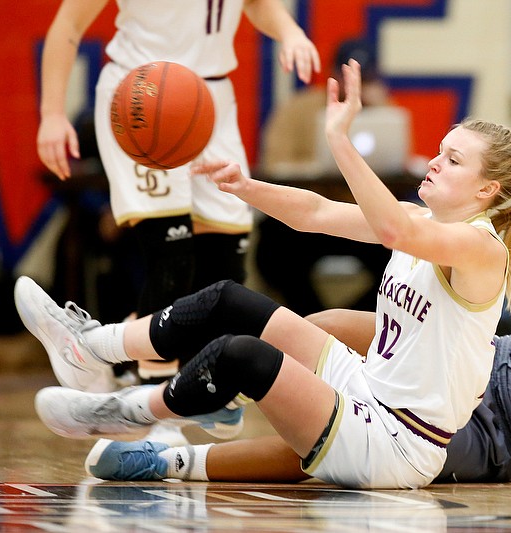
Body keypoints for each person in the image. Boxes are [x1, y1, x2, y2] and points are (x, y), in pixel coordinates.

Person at [20, 58, 511, 489]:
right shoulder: (420, 217)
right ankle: (95, 345)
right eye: (438, 151)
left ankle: (129, 411)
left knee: (243, 355)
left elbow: (393, 234)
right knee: (231, 299)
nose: (434, 163)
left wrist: (341, 138)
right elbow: (315, 214)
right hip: (367, 389)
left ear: (486, 192)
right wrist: (246, 187)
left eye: (452, 160)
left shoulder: (481, 249)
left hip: (397, 441)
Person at [83, 303, 511, 485]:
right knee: (317, 330)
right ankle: (174, 386)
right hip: (485, 361)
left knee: (339, 457)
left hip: (496, 439)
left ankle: (171, 460)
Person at [36, 0, 321, 441]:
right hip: (142, 93)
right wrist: (53, 114)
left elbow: (259, 6)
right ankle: (147, 399)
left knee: (228, 262)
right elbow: (68, 24)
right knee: (171, 257)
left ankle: (153, 371)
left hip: (209, 101)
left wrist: (290, 33)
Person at [256, 38, 396, 315]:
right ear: (332, 74)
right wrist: (318, 168)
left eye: (363, 79)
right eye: (346, 77)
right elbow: (273, 164)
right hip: (308, 221)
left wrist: (376, 108)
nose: (352, 85)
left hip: (361, 220)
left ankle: (357, 323)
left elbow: (395, 165)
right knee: (272, 248)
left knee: (404, 251)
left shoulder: (386, 116)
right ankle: (311, 319)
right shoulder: (299, 109)